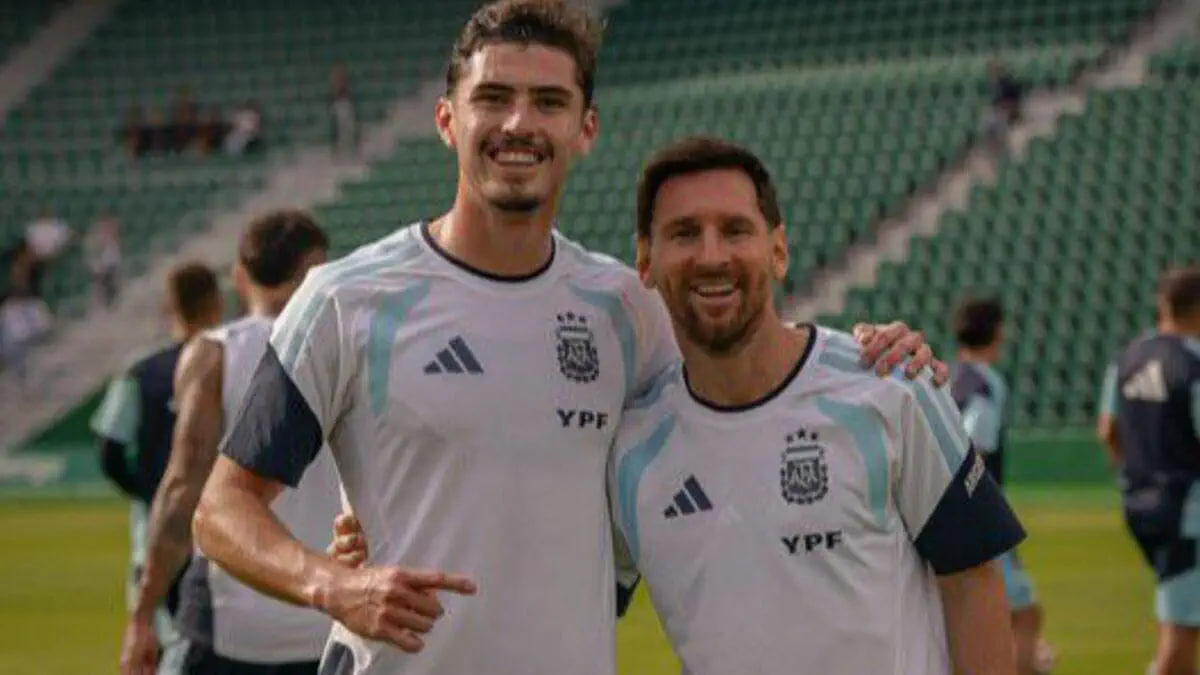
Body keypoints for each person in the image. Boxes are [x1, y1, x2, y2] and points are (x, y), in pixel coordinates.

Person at [191, 3, 949, 674]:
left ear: (585, 129)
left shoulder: (625, 309)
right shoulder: (345, 300)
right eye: (493, 98)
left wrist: (875, 353)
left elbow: (745, 397)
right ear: (447, 120)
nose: (519, 124)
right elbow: (222, 510)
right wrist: (335, 582)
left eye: (548, 102)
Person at [120, 211, 340, 675]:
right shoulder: (354, 347)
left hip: (231, 624)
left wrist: (142, 615)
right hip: (329, 616)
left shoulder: (214, 352)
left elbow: (182, 488)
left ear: (240, 278)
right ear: (319, 269)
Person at [92, 261, 223, 675]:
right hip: (222, 534)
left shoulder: (141, 372)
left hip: (155, 533)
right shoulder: (234, 361)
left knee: (159, 650)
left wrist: (150, 490)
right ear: (217, 302)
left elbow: (109, 453)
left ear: (169, 306)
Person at [1101, 266, 1200, 675]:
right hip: (1187, 510)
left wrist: (1135, 475)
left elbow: (1107, 430)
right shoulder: (1192, 362)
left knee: (1180, 619)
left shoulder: (1128, 357)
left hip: (1140, 503)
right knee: (1180, 637)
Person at [949, 296, 1053, 674]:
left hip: (948, 517)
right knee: (1023, 616)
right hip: (978, 517)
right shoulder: (985, 384)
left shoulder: (948, 376)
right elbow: (972, 452)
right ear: (997, 332)